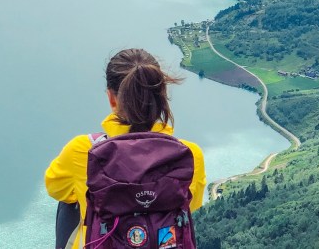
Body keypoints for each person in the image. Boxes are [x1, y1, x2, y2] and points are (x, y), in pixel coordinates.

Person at [45, 48, 206, 249]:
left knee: (72, 202)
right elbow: (192, 204)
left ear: (111, 98)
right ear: (161, 96)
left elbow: (56, 189)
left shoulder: (83, 150)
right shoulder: (189, 154)